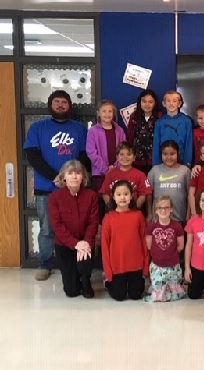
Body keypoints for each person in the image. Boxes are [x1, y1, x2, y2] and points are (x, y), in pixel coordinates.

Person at [23, 89, 88, 281]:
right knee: (46, 228)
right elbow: (32, 156)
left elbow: (84, 155)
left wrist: (69, 178)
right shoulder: (37, 127)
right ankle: (45, 264)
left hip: (74, 187)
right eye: (57, 102)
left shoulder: (79, 128)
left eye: (64, 102)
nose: (60, 105)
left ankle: (74, 262)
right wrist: (56, 177)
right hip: (46, 187)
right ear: (50, 105)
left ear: (69, 106)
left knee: (75, 227)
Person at [48, 160, 99, 298]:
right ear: (64, 177)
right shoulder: (54, 197)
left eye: (78, 173)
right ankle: (76, 279)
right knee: (72, 292)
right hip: (65, 245)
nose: (74, 176)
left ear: (83, 177)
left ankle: (85, 278)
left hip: (85, 243)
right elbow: (57, 225)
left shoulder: (92, 196)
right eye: (70, 173)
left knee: (84, 267)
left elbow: (93, 222)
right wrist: (75, 243)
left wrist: (86, 242)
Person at [101, 180, 149, 301]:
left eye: (126, 194)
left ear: (131, 195)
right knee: (119, 296)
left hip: (136, 263)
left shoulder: (138, 215)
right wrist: (108, 270)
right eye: (119, 194)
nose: (122, 197)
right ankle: (106, 282)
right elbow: (105, 245)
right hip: (117, 264)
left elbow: (144, 240)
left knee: (136, 295)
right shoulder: (108, 217)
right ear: (113, 197)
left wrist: (145, 266)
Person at [86, 100, 127, 219]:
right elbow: (91, 152)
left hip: (117, 173)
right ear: (98, 113)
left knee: (116, 203)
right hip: (99, 174)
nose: (107, 114)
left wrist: (115, 167)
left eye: (110, 111)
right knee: (100, 206)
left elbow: (124, 150)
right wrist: (105, 169)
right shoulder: (93, 131)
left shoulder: (119, 130)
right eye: (104, 111)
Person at [144, 196, 186, 302]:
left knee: (173, 293)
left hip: (173, 265)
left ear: (171, 209)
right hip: (157, 265)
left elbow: (181, 246)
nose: (163, 210)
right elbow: (149, 245)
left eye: (166, 207)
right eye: (160, 208)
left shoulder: (177, 226)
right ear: (156, 210)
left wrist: (169, 254)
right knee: (159, 295)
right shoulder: (151, 226)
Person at [147, 140, 190, 224]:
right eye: (165, 154)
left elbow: (190, 194)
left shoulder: (185, 170)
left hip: (179, 219)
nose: (169, 157)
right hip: (158, 219)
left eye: (172, 154)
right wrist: (149, 214)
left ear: (178, 153)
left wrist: (188, 214)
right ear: (161, 155)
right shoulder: (155, 170)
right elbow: (148, 194)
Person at [99, 141, 152, 210]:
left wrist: (134, 209)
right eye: (122, 154)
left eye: (129, 154)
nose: (125, 157)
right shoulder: (111, 174)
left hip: (133, 212)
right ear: (117, 157)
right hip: (115, 212)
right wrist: (112, 209)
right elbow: (105, 193)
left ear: (134, 157)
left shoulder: (140, 175)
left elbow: (143, 195)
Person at [152, 90, 193, 167]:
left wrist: (187, 164)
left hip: (181, 163)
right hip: (163, 163)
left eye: (174, 101)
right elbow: (156, 145)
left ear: (179, 104)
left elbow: (188, 144)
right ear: (164, 103)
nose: (171, 103)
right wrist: (155, 165)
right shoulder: (159, 122)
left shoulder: (186, 121)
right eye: (168, 101)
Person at [127, 89, 162, 175]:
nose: (147, 104)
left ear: (155, 103)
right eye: (144, 101)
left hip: (155, 160)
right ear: (140, 102)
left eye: (150, 102)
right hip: (137, 160)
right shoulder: (134, 116)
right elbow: (130, 137)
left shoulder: (160, 117)